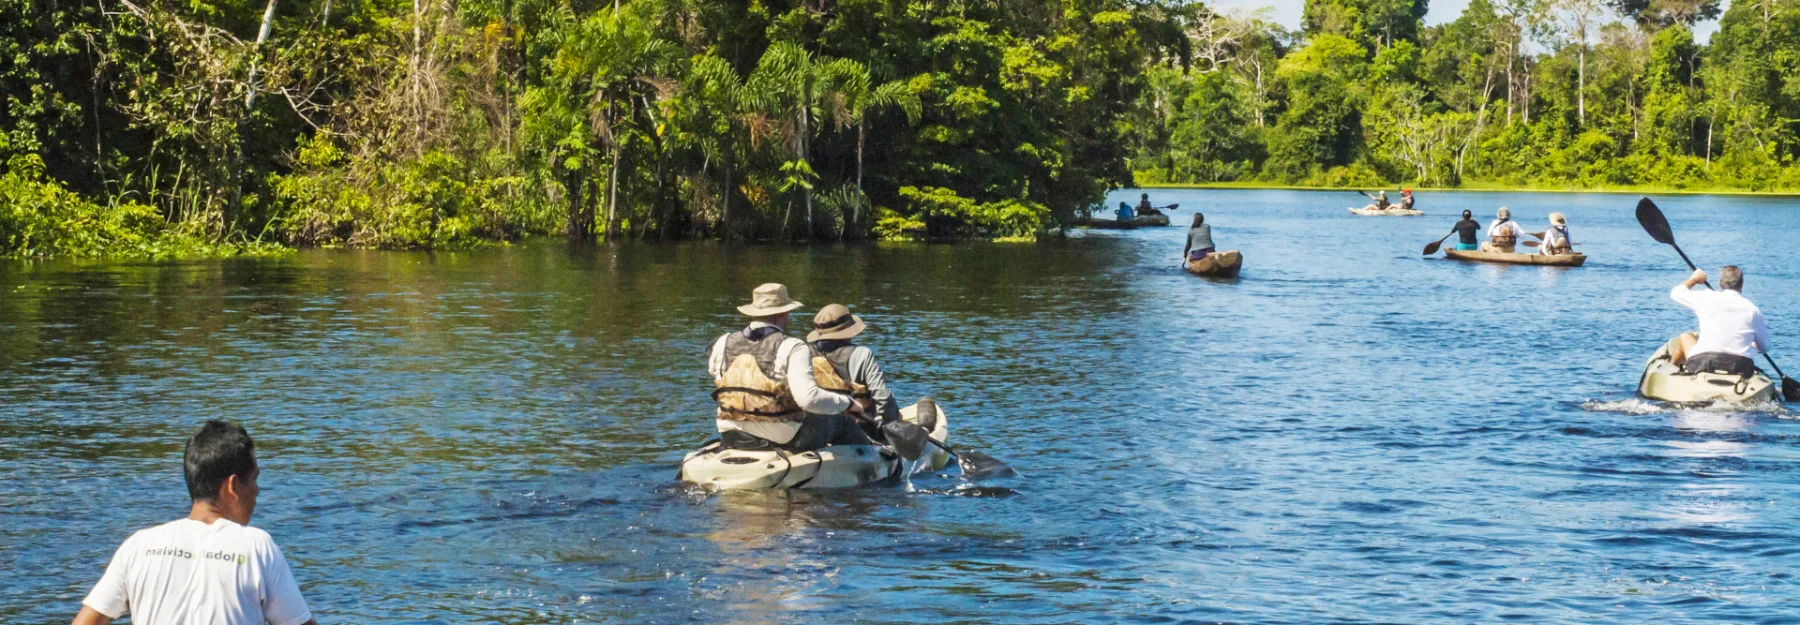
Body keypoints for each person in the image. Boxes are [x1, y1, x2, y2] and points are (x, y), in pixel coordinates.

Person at [72, 420, 317, 625]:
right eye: (254, 479)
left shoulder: (138, 545)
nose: (257, 490)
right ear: (232, 485)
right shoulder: (256, 547)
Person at [708, 283, 870, 452]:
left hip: (731, 433)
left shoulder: (723, 342)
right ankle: (873, 460)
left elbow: (720, 380)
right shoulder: (793, 346)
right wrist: (847, 404)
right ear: (782, 314)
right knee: (839, 419)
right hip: (783, 438)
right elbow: (808, 399)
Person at [1666, 266, 1771, 377]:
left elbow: (1675, 293)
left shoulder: (1707, 298)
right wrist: (1753, 344)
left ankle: (1671, 374)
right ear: (1742, 284)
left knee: (1685, 337)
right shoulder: (1752, 310)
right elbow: (1764, 347)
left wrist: (1694, 279)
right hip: (1741, 367)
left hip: (1703, 363)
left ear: (1720, 283)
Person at [809, 304, 902, 428]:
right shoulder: (862, 354)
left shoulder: (805, 353)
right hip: (858, 428)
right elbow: (882, 398)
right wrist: (894, 419)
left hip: (819, 427)